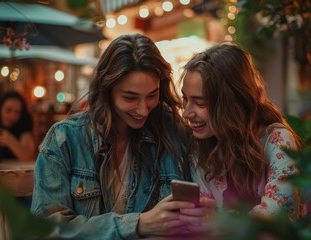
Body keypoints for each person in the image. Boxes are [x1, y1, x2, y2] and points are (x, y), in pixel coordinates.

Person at [31, 34, 211, 239]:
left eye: (152, 95)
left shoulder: (173, 131)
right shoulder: (65, 139)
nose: (143, 110)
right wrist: (138, 224)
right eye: (130, 98)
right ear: (107, 91)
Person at [180, 43, 302, 225]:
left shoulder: (276, 140)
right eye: (185, 99)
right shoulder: (199, 150)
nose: (186, 113)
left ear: (231, 102)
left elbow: (275, 216)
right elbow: (203, 222)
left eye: (200, 103)